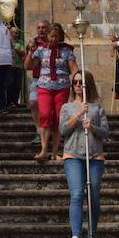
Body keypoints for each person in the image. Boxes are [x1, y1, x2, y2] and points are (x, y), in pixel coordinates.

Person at [60, 70, 109, 238]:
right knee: (77, 194)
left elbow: (106, 132)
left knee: (94, 196)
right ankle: (75, 236)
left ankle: (92, 235)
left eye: (81, 82)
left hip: (94, 155)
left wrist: (93, 127)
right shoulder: (66, 107)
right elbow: (63, 130)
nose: (78, 85)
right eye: (75, 82)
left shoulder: (97, 108)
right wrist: (78, 115)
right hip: (72, 154)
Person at [25, 23, 78, 162]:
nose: (53, 39)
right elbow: (28, 66)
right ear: (48, 36)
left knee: (58, 120)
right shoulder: (41, 50)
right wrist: (30, 52)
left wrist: (78, 81)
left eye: (56, 36)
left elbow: (74, 69)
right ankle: (43, 150)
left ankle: (54, 152)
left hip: (62, 88)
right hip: (44, 87)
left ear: (60, 36)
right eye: (51, 36)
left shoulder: (66, 51)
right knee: (45, 115)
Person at [25, 20, 50, 145]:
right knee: (33, 102)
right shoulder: (33, 43)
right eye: (38, 27)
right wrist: (31, 50)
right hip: (37, 78)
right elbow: (27, 62)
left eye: (43, 27)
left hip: (51, 78)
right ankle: (38, 131)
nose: (41, 30)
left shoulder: (52, 42)